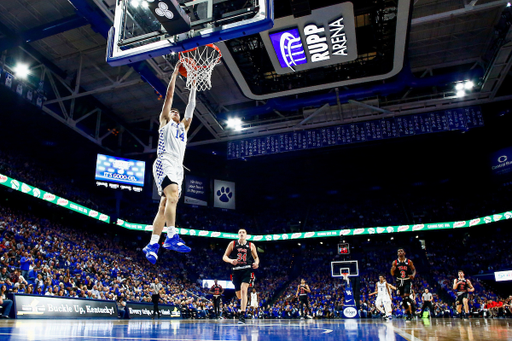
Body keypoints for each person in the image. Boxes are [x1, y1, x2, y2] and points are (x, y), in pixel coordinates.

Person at [143, 61, 197, 264]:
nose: (174, 111)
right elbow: (169, 97)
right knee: (172, 196)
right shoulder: (165, 122)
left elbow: (191, 106)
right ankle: (172, 236)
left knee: (165, 204)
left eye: (177, 111)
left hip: (178, 167)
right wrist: (175, 74)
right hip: (164, 161)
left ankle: (152, 244)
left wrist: (193, 83)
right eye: (172, 111)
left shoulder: (183, 127)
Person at [222, 229, 259, 324]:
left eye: (243, 232)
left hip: (247, 270)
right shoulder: (232, 244)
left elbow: (256, 257)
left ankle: (242, 315)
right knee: (239, 295)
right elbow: (224, 257)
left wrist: (257, 263)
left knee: (244, 289)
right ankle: (244, 303)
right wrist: (231, 261)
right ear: (238, 235)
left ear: (246, 235)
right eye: (240, 232)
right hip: (235, 271)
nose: (241, 234)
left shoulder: (251, 245)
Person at [390, 248, 416, 321]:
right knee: (404, 299)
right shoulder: (395, 262)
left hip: (407, 280)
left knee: (406, 297)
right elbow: (392, 274)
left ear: (404, 253)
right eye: (398, 251)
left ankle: (413, 309)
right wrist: (392, 270)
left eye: (401, 251)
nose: (400, 252)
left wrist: (413, 275)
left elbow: (414, 269)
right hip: (399, 281)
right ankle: (409, 315)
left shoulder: (409, 261)